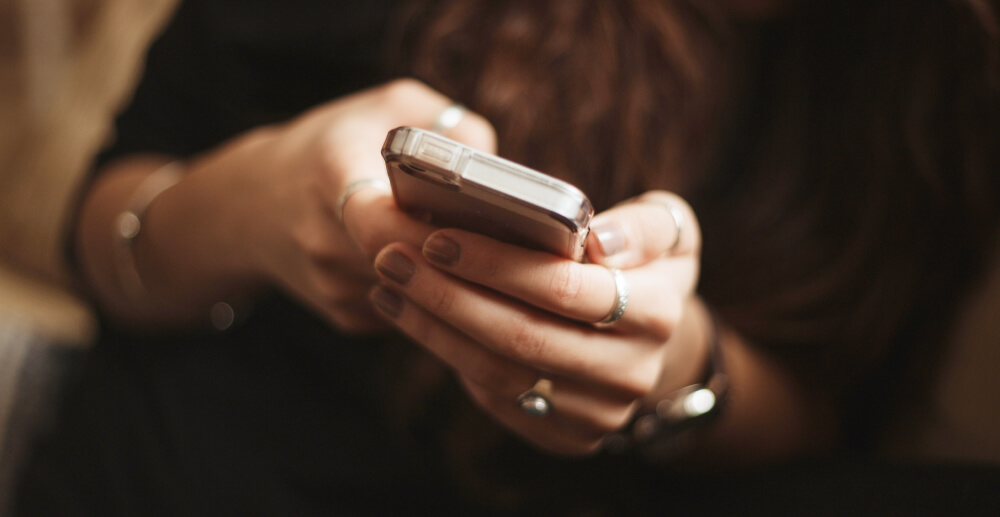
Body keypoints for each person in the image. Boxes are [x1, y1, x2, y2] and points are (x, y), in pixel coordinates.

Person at [14, 0, 1000, 514]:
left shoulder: (940, 70)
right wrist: (265, 197)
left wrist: (678, 369)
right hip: (171, 480)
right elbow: (101, 239)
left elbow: (834, 425)